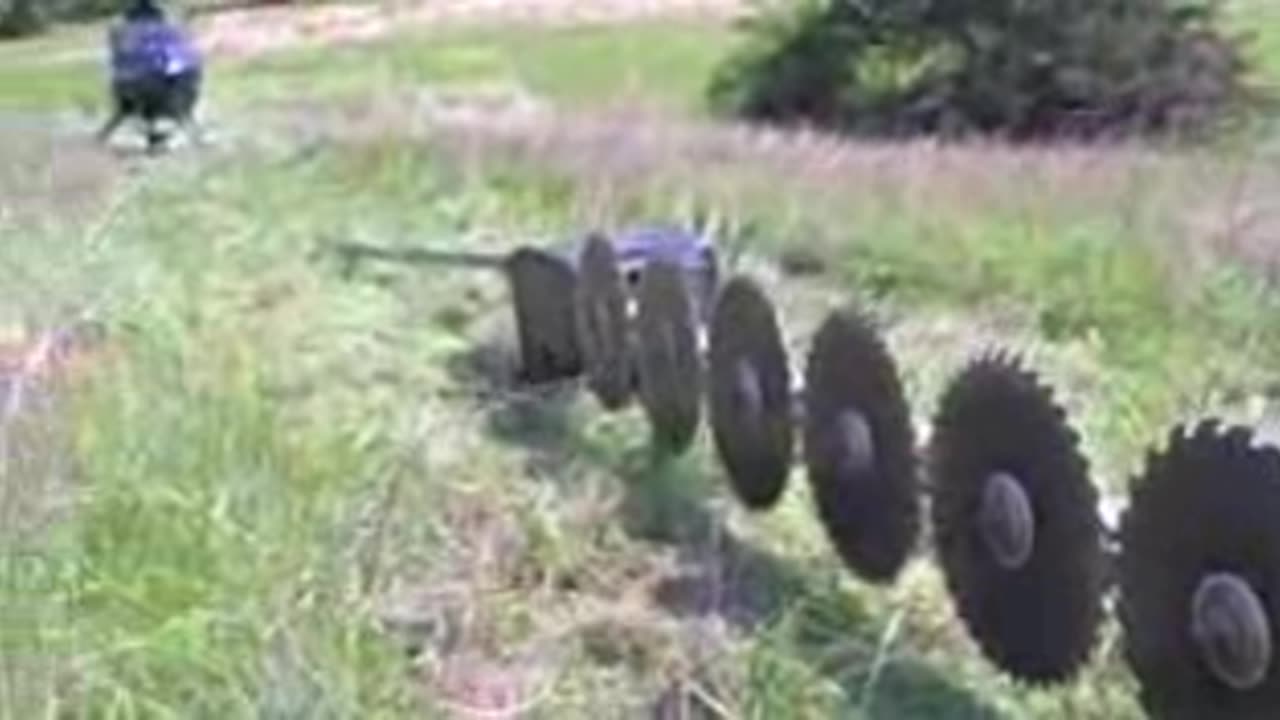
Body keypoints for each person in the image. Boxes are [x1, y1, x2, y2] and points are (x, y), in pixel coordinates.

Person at [96, 0, 205, 152]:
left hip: (125, 86)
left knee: (125, 108)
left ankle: (102, 137)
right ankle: (193, 135)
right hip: (156, 85)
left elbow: (116, 60)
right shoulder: (164, 29)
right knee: (178, 102)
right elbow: (180, 59)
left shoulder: (118, 29)